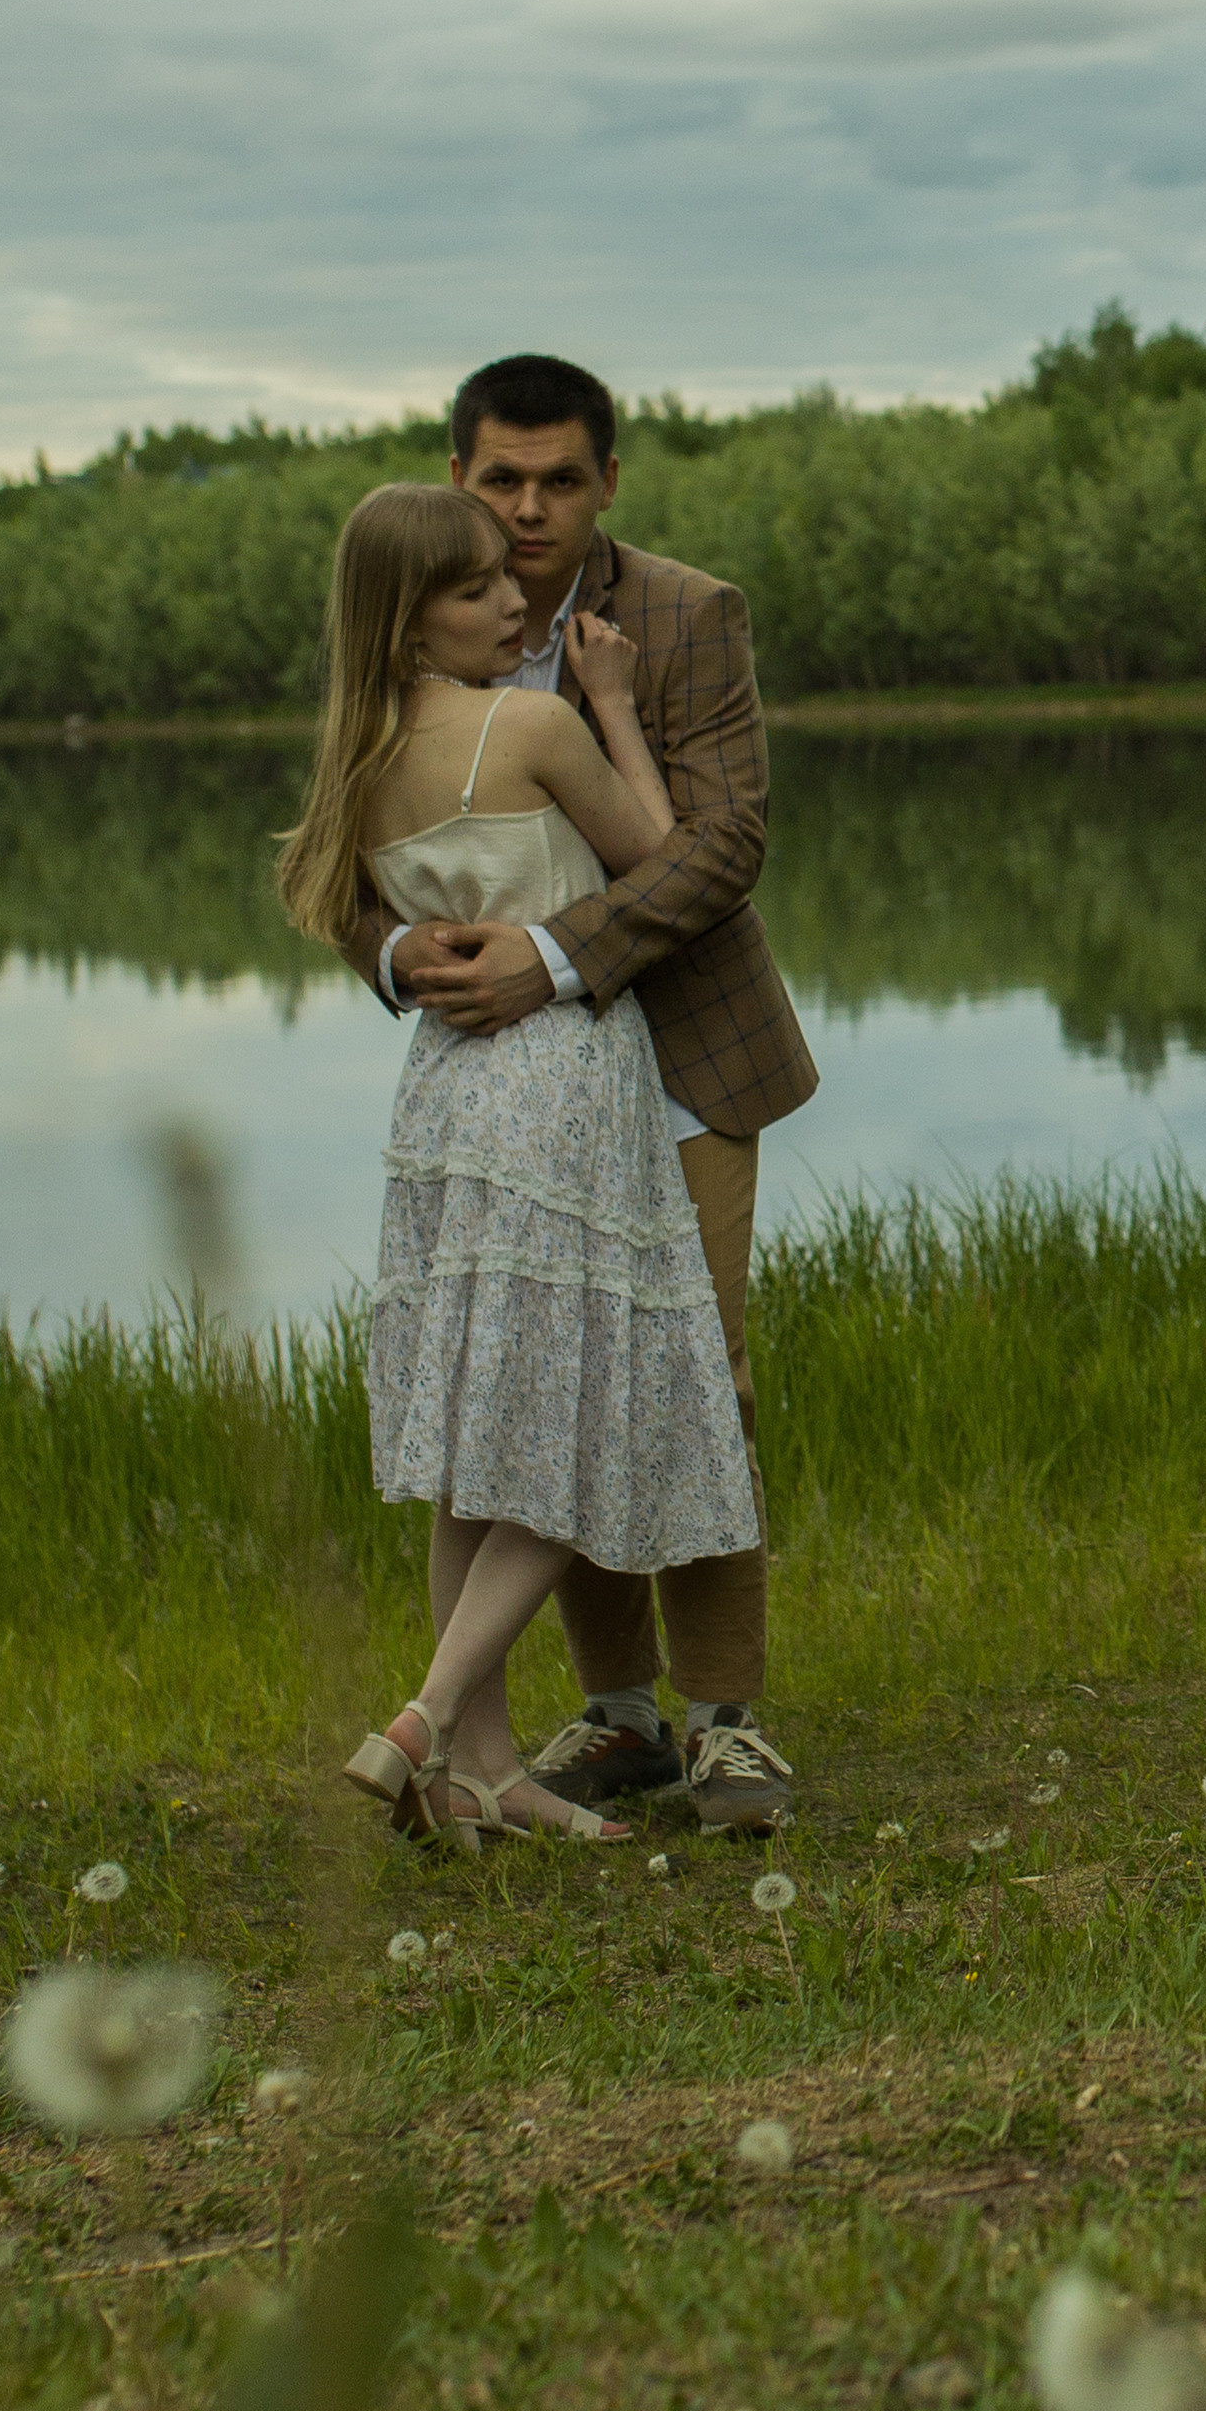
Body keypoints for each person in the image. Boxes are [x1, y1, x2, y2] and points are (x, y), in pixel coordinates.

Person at [334, 349, 814, 1835]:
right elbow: (339, 872)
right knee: (551, 1394)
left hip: (674, 1062)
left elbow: (719, 844)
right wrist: (402, 950)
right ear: (459, 475)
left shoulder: (682, 612)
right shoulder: (419, 611)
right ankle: (616, 1722)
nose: (529, 511)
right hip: (507, 1080)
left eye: (559, 480)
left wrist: (550, 954)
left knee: (695, 1383)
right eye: (502, 480)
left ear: (607, 479)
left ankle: (725, 1721)